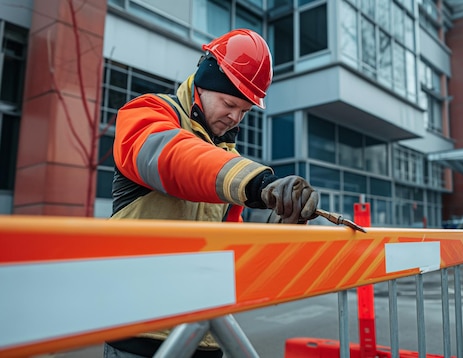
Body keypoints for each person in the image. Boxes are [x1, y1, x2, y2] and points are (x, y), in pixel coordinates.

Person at [104, 29, 319, 358]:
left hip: (206, 334)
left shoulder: (229, 165)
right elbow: (173, 158)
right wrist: (258, 183)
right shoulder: (148, 114)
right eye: (230, 103)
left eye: (245, 110)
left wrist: (283, 231)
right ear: (202, 85)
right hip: (141, 331)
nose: (236, 116)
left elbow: (230, 259)